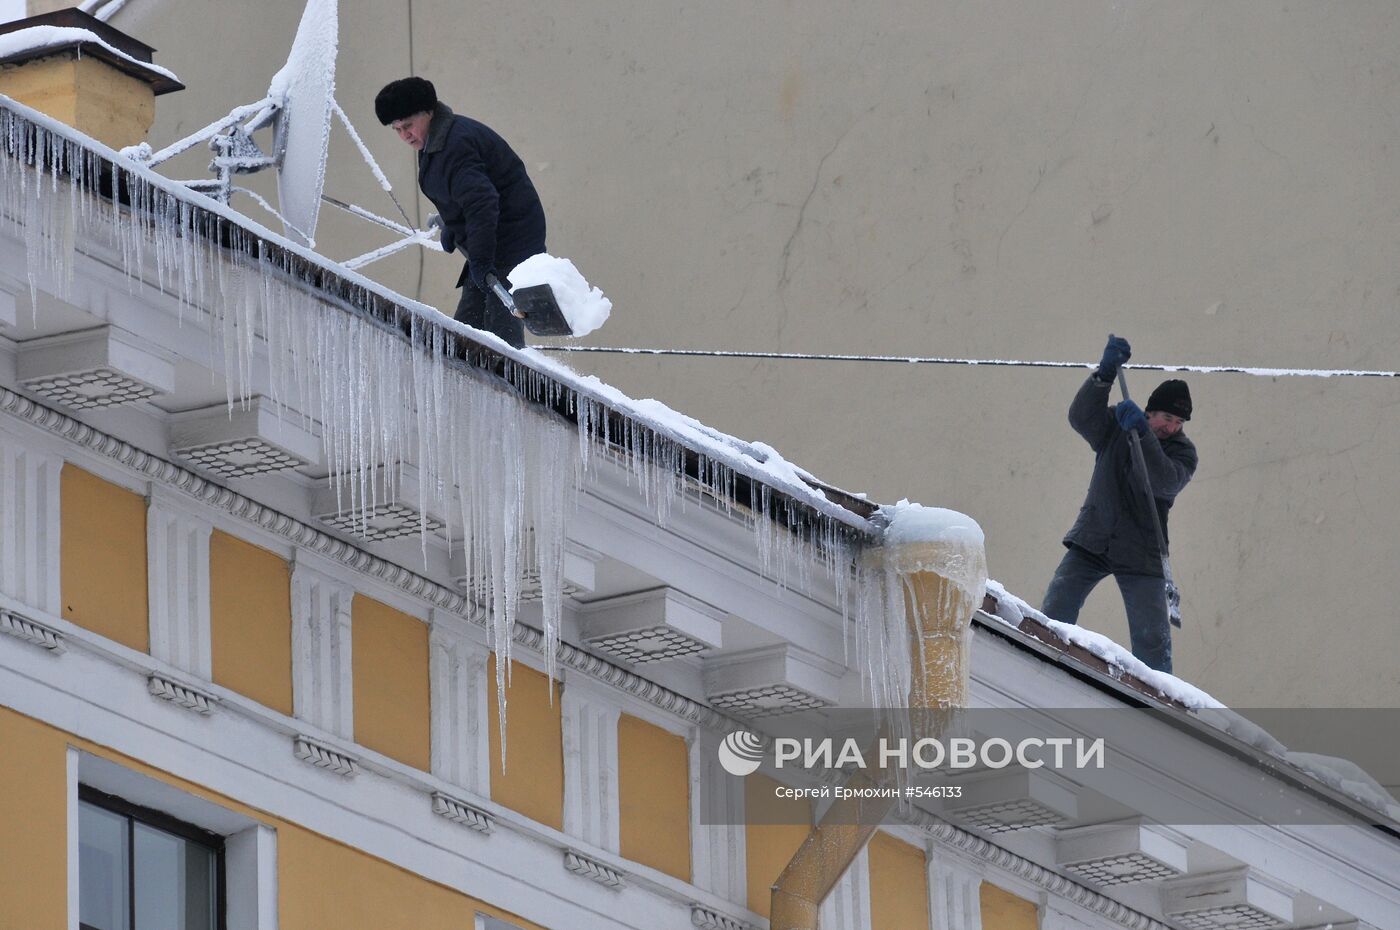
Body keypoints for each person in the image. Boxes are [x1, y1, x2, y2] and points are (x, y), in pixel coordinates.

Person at [1041, 336, 1197, 673]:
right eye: (1166, 418)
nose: (1171, 427)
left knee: (1152, 644)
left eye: (1178, 423)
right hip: (1095, 536)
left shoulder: (1182, 453)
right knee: (1055, 609)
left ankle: (1156, 708)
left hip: (1142, 551)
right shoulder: (1115, 426)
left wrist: (1143, 434)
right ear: (1149, 411)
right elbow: (1081, 418)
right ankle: (1042, 663)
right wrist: (1104, 376)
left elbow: (1161, 481)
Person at [375, 77, 546, 349]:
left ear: (429, 112)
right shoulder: (433, 142)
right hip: (489, 243)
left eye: (407, 126)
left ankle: (512, 380)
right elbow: (460, 197)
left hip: (511, 243)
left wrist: (479, 259)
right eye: (397, 129)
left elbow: (482, 203)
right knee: (466, 332)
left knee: (500, 337)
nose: (404, 135)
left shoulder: (456, 144)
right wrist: (455, 226)